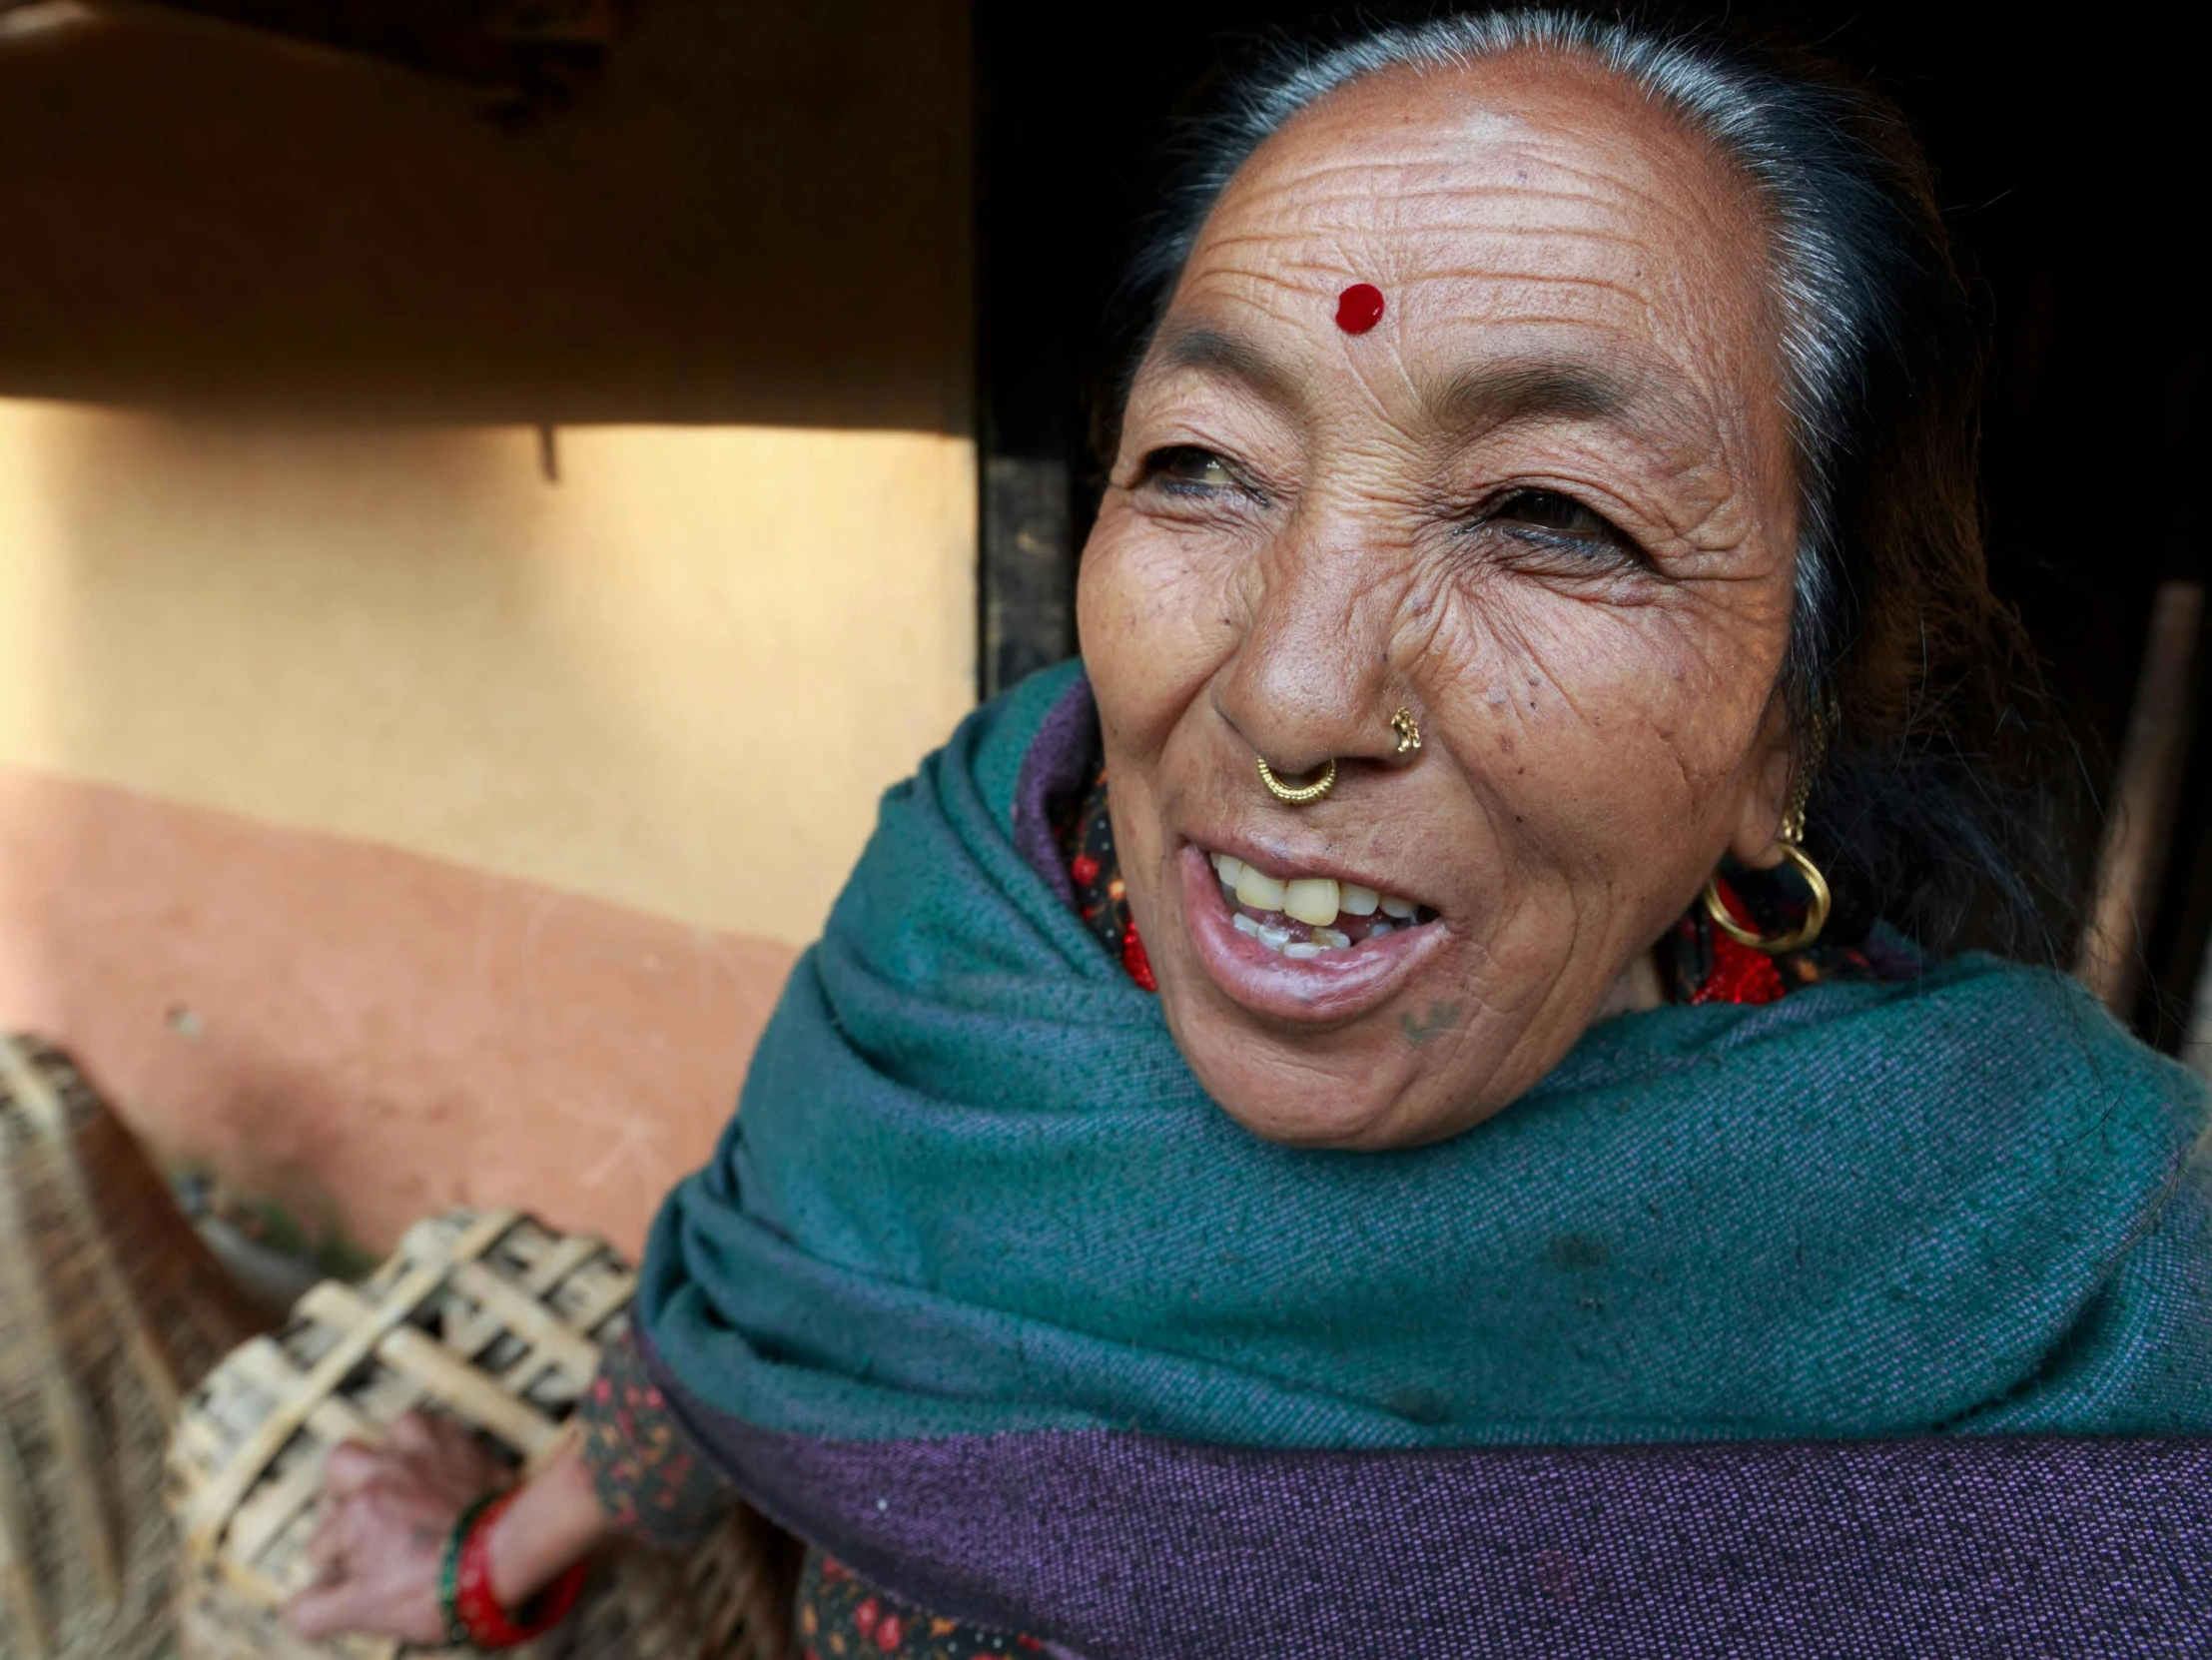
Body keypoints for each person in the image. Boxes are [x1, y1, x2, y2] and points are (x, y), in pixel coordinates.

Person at [285, 11, 2212, 1655]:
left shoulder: (2024, 1255)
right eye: (1204, 466)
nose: (1287, 699)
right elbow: (783, 1280)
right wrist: (482, 1572)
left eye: (1550, 513)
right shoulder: (970, 910)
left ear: (1785, 731)